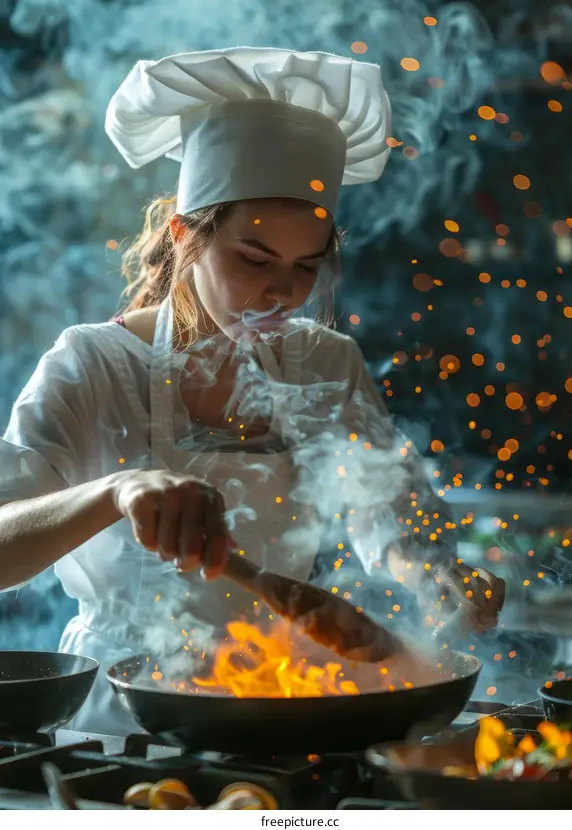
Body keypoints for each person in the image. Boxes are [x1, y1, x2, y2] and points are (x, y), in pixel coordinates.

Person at [0, 47, 504, 735]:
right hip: (118, 729)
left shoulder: (328, 362)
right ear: (184, 237)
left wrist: (436, 576)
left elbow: (390, 515)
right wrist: (116, 492)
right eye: (253, 259)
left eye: (307, 266)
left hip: (277, 705)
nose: (282, 292)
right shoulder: (92, 365)